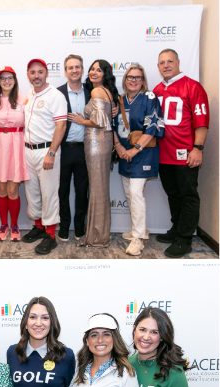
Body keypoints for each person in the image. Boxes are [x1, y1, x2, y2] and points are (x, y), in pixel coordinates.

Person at [153, 48, 210, 258]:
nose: (166, 65)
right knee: (173, 194)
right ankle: (177, 228)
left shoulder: (193, 87)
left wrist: (198, 148)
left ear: (178, 62)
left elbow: (201, 122)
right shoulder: (157, 90)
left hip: (186, 153)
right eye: (162, 62)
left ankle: (185, 239)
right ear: (158, 67)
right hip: (163, 154)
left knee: (188, 195)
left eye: (170, 61)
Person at [113, 65, 165, 256]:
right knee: (129, 193)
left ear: (143, 81)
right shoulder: (118, 100)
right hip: (124, 154)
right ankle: (139, 229)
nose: (133, 80)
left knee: (135, 193)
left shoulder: (150, 98)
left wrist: (135, 150)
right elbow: (111, 127)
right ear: (125, 79)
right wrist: (119, 148)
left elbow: (152, 127)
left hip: (142, 153)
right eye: (130, 77)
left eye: (138, 77)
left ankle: (138, 238)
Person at [70, 59, 119, 249]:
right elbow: (107, 117)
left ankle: (98, 237)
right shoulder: (106, 90)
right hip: (102, 142)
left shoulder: (97, 91)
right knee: (100, 189)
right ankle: (99, 233)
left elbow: (100, 121)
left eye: (99, 70)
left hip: (96, 143)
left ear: (105, 74)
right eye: (92, 69)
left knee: (97, 190)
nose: (94, 72)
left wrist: (82, 121)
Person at [22, 59, 68, 255]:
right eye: (33, 73)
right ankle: (39, 227)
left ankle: (50, 236)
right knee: (32, 192)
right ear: (28, 75)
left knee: (49, 194)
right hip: (28, 150)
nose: (36, 76)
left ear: (47, 73)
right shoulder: (30, 95)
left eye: (40, 72)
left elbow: (61, 126)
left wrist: (51, 153)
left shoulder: (55, 95)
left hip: (46, 151)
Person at [0, 66, 27, 242]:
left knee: (13, 189)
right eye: (3, 78)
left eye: (9, 78)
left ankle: (15, 225)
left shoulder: (24, 99)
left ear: (15, 80)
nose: (6, 81)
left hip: (17, 145)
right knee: (1, 188)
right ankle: (4, 224)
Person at [57, 54, 91, 242]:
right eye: (70, 67)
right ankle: (64, 226)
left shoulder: (92, 92)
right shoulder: (58, 92)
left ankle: (79, 227)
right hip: (63, 149)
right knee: (62, 191)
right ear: (65, 71)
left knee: (81, 191)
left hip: (84, 150)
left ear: (82, 69)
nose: (74, 70)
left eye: (77, 67)